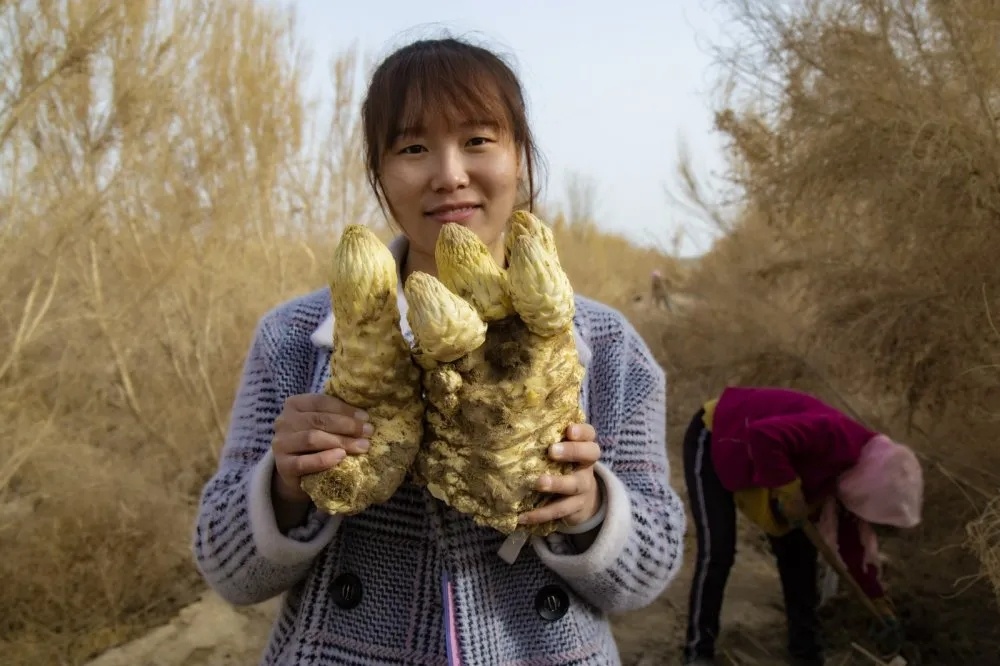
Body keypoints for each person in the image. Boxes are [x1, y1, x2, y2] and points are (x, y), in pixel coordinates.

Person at [191, 35, 686, 666]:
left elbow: (652, 571)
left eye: (479, 140)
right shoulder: (293, 338)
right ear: (379, 172)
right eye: (413, 147)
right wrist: (283, 488)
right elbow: (226, 571)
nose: (449, 174)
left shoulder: (610, 347)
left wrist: (591, 509)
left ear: (520, 157)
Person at [680, 386, 923, 666]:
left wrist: (875, 597)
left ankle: (805, 653)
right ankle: (698, 651)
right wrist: (788, 488)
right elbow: (763, 435)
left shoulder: (857, 478)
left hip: (769, 462)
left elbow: (852, 544)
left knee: (799, 558)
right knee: (719, 549)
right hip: (718, 435)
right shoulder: (835, 435)